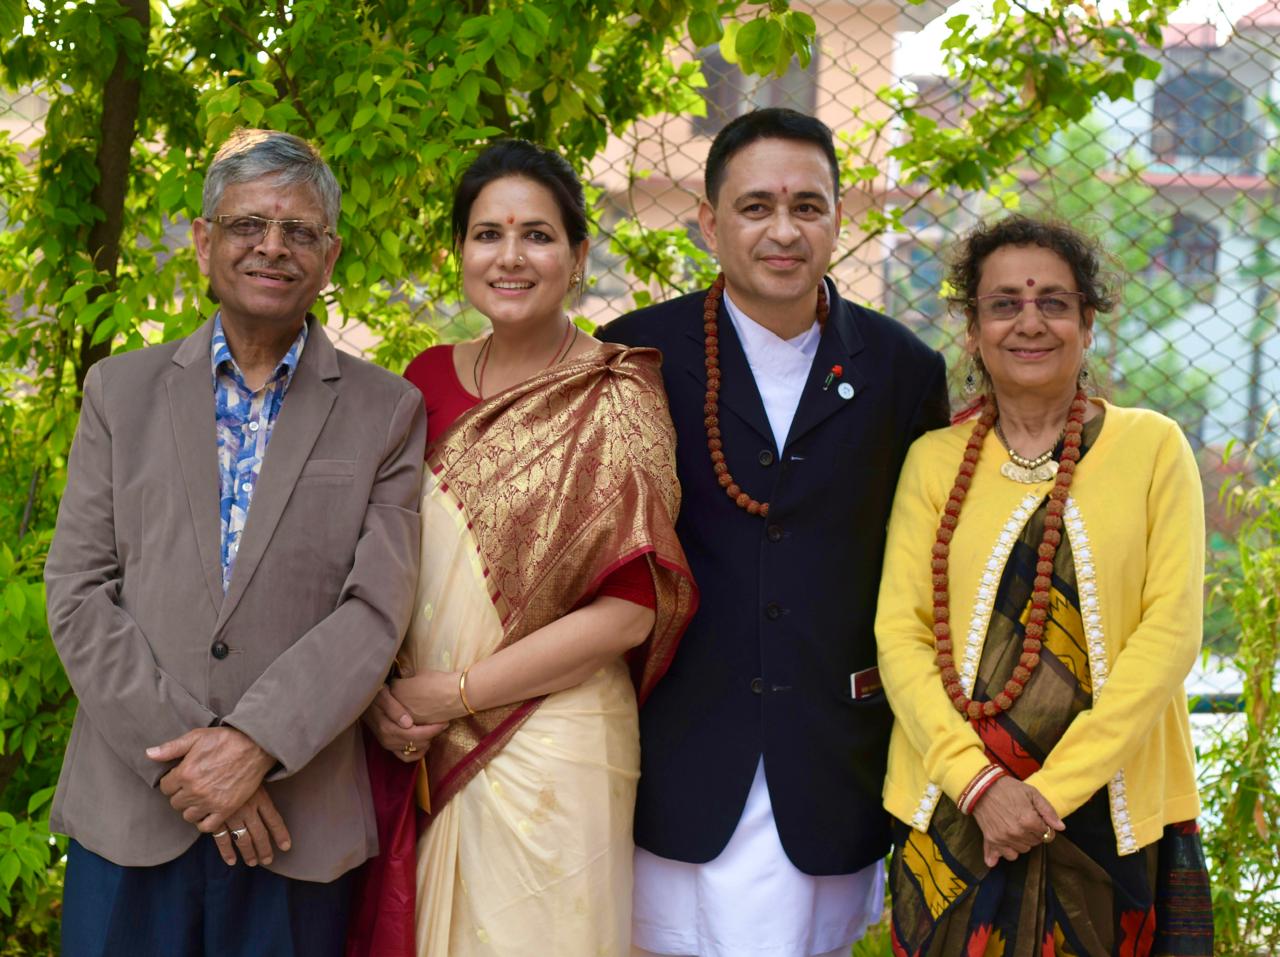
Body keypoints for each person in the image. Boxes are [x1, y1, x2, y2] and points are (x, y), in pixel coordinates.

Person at [43, 128, 427, 956]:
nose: (272, 246)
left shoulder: (387, 409)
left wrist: (255, 745)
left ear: (329, 255)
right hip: (131, 815)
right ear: (203, 240)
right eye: (248, 223)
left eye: (299, 231)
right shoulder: (120, 391)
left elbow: (376, 608)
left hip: (295, 821)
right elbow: (77, 590)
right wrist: (192, 764)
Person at [599, 108, 949, 957]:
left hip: (830, 752)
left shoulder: (902, 368)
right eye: (755, 207)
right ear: (708, 221)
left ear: (840, 217)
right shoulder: (636, 354)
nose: (784, 231)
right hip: (677, 748)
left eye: (808, 205)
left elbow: (924, 569)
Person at [347, 139, 697, 957]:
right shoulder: (425, 378)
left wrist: (456, 694)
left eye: (537, 235)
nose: (510, 256)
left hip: (555, 744)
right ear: (459, 251)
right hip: (419, 736)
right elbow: (384, 559)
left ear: (578, 256)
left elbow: (629, 614)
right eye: (487, 234)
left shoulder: (618, 392)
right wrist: (384, 698)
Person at [876, 214, 1214, 956]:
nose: (1029, 322)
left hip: (1108, 809)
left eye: (1053, 302)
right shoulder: (934, 461)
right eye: (1004, 304)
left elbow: (1170, 632)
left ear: (1087, 323)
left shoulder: (1153, 448)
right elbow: (899, 633)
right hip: (958, 808)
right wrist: (979, 785)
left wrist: (1049, 794)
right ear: (974, 330)